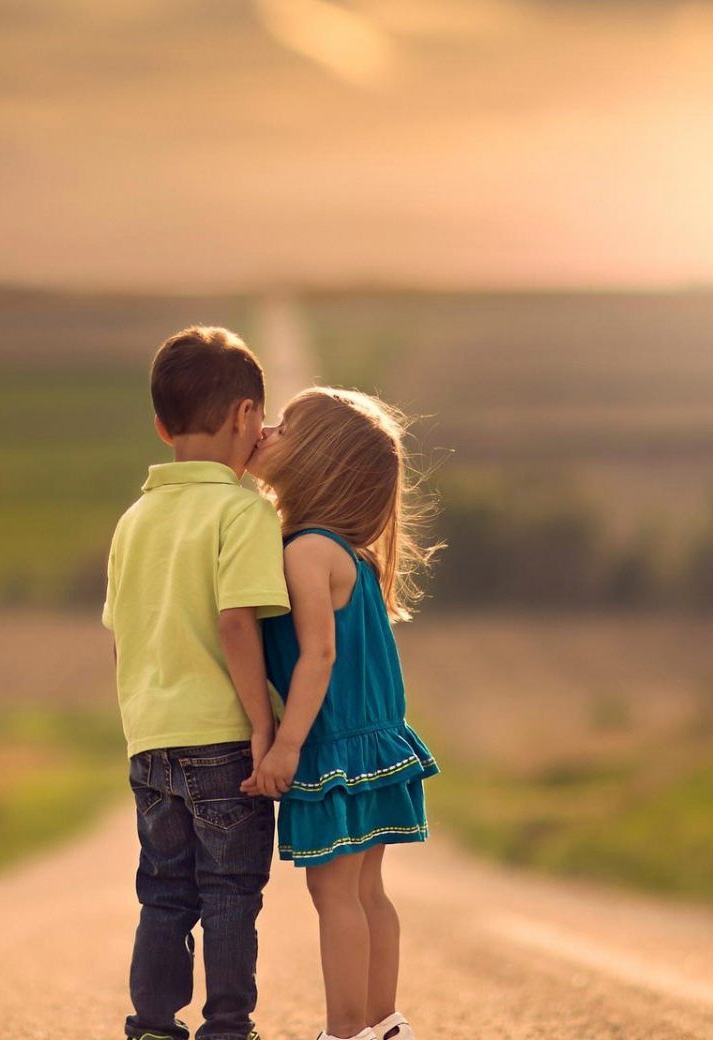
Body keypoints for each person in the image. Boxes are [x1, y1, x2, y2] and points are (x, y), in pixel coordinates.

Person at [102, 325, 289, 1040]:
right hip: (220, 739)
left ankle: (152, 1024)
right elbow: (237, 622)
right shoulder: (242, 511)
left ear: (160, 425)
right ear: (247, 416)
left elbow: (125, 631)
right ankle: (227, 1027)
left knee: (165, 894)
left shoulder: (134, 518)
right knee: (232, 891)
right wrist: (261, 725)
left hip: (150, 739)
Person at [242, 387, 439, 1040]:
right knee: (368, 891)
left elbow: (319, 656)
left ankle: (344, 1031)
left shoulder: (304, 551)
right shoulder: (355, 555)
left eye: (286, 426)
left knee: (335, 896)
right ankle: (384, 1023)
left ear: (319, 463)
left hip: (333, 746)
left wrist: (287, 745)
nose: (267, 429)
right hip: (380, 742)